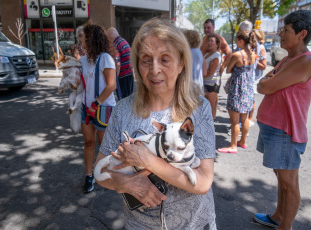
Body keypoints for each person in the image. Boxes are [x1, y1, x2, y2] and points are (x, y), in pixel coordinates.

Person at [95, 18, 216, 229]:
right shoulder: (123, 110)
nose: (154, 69)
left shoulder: (199, 108)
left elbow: (203, 181)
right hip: (139, 225)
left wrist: (149, 161)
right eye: (146, 59)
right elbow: (100, 171)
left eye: (165, 59)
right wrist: (125, 183)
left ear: (181, 64)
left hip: (194, 223)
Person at [253, 10, 311, 230]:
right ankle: (278, 216)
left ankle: (285, 226)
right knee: (281, 177)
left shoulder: (305, 61)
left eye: (286, 30)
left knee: (289, 184)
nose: (281, 33)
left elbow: (266, 86)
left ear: (302, 34)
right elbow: (263, 83)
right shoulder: (288, 59)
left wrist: (266, 83)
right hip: (274, 128)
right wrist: (266, 82)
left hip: (286, 131)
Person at [79, 23, 118, 194]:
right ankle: (89, 176)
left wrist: (95, 104)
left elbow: (111, 85)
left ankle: (104, 173)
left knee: (104, 145)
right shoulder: (82, 60)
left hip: (103, 108)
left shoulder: (105, 58)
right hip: (85, 108)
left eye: (83, 37)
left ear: (91, 39)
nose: (81, 40)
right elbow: (79, 85)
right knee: (89, 142)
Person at [217, 30, 257, 154]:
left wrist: (231, 66)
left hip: (237, 88)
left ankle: (233, 145)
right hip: (248, 88)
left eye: (236, 40)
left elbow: (228, 70)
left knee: (234, 120)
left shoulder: (237, 55)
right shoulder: (253, 53)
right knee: (244, 117)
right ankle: (243, 142)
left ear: (240, 41)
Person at [107, 27, 134, 98]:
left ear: (110, 37)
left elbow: (117, 64)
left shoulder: (115, 45)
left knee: (123, 99)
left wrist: (115, 79)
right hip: (129, 74)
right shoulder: (123, 41)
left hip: (122, 76)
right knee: (129, 99)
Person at [248, 29, 267, 126]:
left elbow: (264, 65)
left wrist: (253, 60)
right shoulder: (252, 47)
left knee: (252, 98)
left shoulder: (261, 48)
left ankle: (250, 118)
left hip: (256, 77)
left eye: (253, 35)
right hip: (250, 75)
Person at [203, 34, 222, 121]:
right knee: (205, 105)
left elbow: (210, 72)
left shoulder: (216, 55)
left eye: (212, 41)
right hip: (205, 83)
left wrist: (198, 74)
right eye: (209, 41)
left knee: (211, 106)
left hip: (212, 83)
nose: (209, 43)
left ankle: (211, 125)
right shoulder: (207, 53)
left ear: (217, 44)